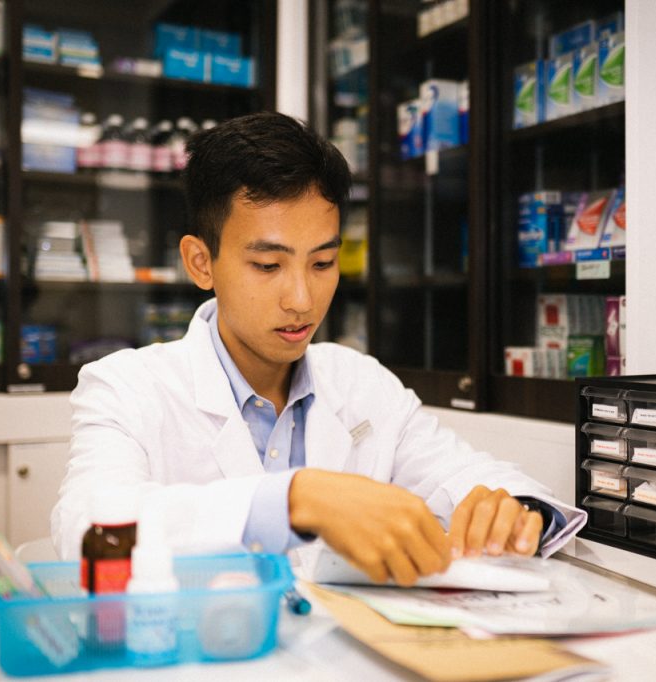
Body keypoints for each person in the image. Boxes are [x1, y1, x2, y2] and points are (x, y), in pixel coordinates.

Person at [52, 111, 586, 586]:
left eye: (323, 263)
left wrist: (516, 510)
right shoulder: (126, 387)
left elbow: (462, 475)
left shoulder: (362, 384)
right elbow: (89, 528)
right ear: (200, 262)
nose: (302, 299)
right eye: (268, 265)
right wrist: (295, 500)